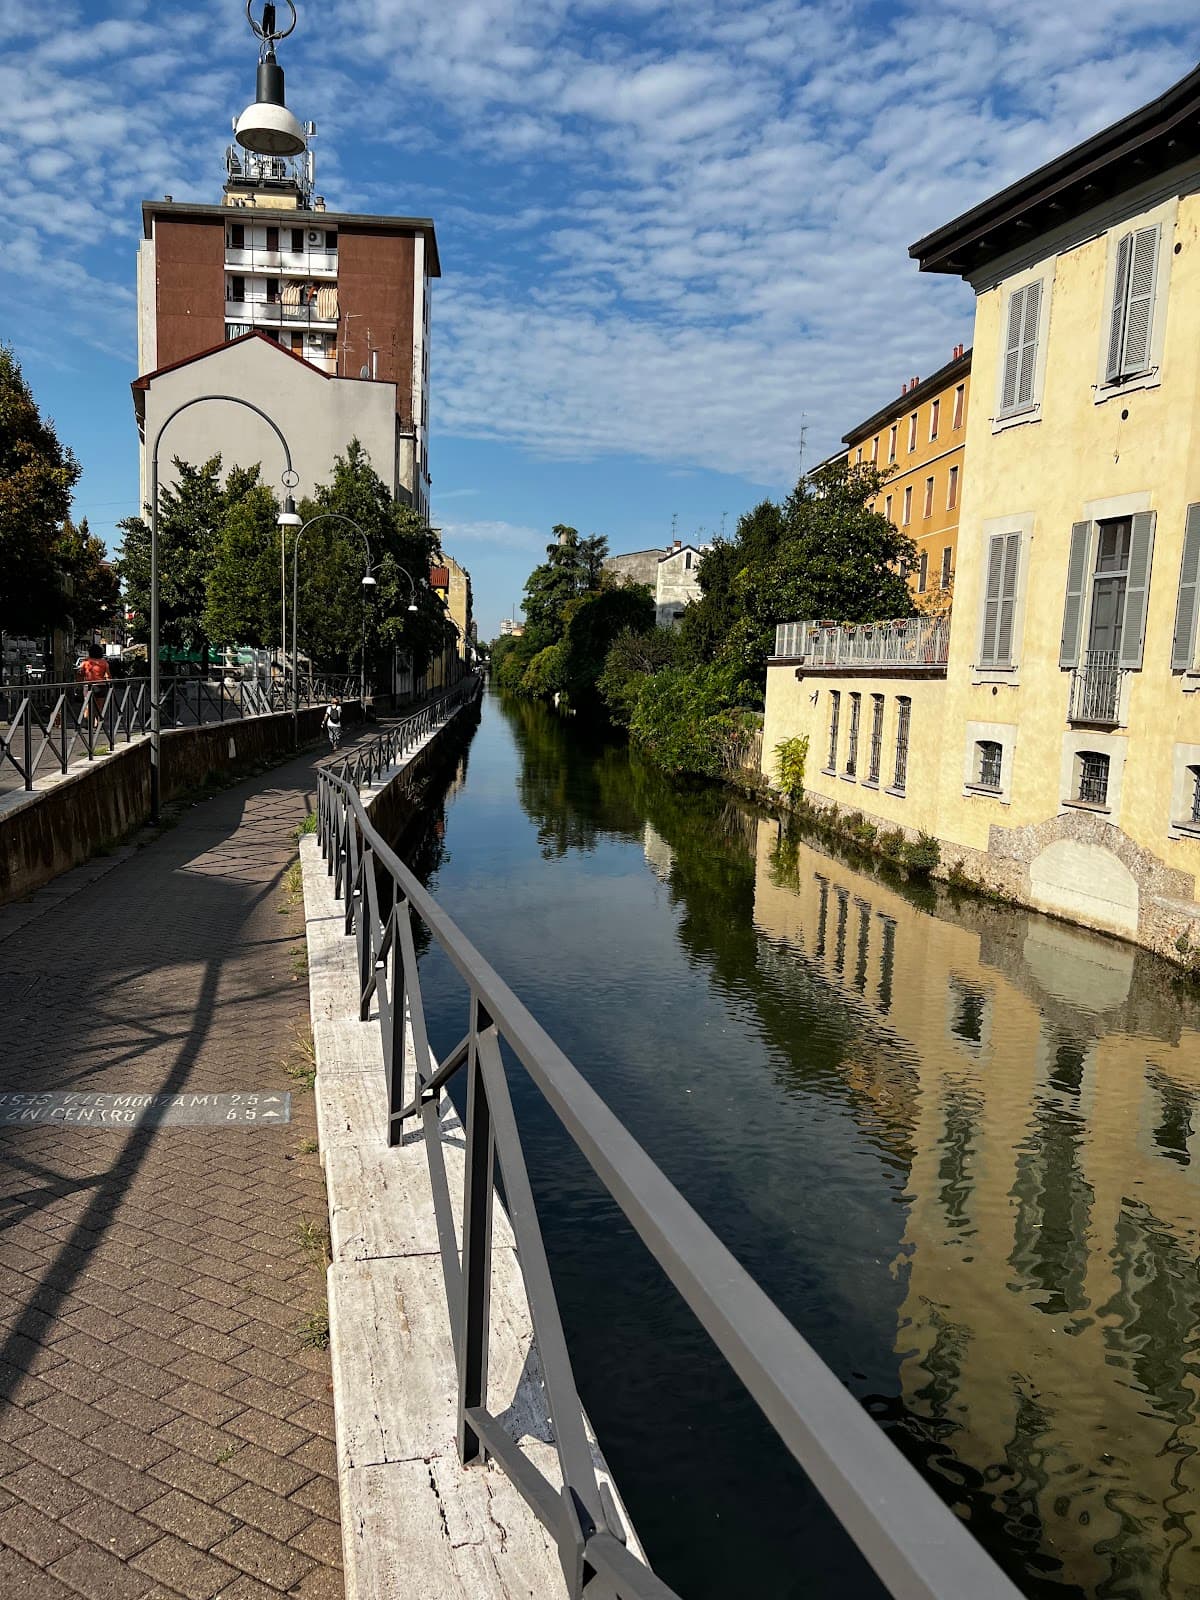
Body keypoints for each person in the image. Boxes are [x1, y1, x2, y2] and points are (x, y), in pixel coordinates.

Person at [78, 642, 111, 724]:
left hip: (89, 686)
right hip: (101, 686)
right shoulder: (104, 663)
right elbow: (107, 676)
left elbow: (80, 673)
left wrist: (79, 683)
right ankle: (98, 723)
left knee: (88, 705)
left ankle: (89, 722)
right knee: (100, 707)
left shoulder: (86, 662)